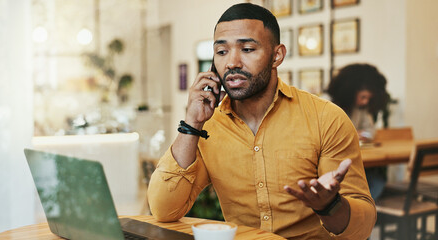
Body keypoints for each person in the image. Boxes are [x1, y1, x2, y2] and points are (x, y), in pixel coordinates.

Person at [147, 3, 376, 239]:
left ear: (277, 55)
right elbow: (164, 210)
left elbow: (362, 229)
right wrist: (192, 124)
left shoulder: (326, 118)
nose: (232, 63)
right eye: (221, 52)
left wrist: (330, 206)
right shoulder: (209, 127)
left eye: (247, 49)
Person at [327, 64, 389, 200]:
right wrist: (354, 134)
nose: (365, 101)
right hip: (334, 165)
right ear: (351, 92)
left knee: (377, 181)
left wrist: (362, 135)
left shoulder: (361, 110)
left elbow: (370, 131)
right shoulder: (329, 108)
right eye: (363, 96)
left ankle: (361, 213)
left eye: (368, 98)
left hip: (357, 161)